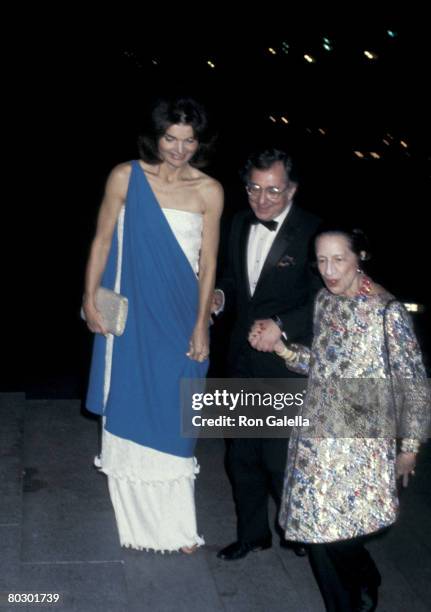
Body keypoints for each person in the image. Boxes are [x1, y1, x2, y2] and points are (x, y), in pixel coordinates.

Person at [250, 226, 430, 610]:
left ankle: (360, 577)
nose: (329, 270)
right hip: (316, 437)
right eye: (321, 260)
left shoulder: (387, 312)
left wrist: (409, 448)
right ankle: (352, 592)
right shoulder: (324, 301)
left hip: (361, 444)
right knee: (316, 532)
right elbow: (321, 366)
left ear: (359, 257)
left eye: (339, 259)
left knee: (342, 534)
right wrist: (283, 349)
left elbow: (412, 382)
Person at [82, 96, 223, 553]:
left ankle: (179, 526)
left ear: (199, 143)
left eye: (188, 140)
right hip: (134, 316)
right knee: (130, 403)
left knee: (179, 419)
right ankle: (140, 524)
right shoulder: (125, 177)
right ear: (156, 136)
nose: (179, 149)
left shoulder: (209, 190)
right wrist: (89, 297)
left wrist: (201, 325)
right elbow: (102, 240)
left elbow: (209, 262)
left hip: (182, 317)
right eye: (170, 138)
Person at [213, 148, 321, 561]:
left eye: (273, 190)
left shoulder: (313, 231)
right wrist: (221, 295)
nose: (261, 200)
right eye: (254, 188)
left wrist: (282, 324)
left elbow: (323, 299)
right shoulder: (239, 222)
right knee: (240, 456)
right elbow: (232, 277)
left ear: (292, 189)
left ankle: (298, 529)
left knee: (280, 460)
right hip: (240, 358)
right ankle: (253, 534)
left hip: (284, 362)